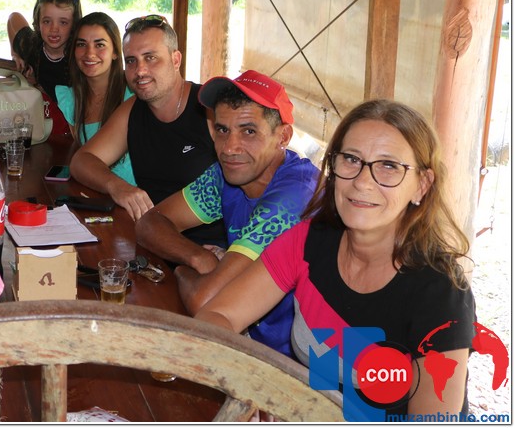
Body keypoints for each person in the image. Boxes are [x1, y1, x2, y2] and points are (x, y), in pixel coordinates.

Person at [196, 100, 476, 418]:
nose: (362, 181)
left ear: (421, 186)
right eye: (351, 159)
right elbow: (216, 316)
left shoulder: (441, 293)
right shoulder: (307, 241)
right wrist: (255, 390)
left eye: (388, 166)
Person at [136, 70, 319, 357]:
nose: (230, 148)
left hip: (294, 363)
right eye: (222, 130)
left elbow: (206, 301)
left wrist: (182, 270)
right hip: (244, 339)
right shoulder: (229, 174)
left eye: (249, 131)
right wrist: (199, 257)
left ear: (283, 136)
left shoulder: (293, 198)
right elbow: (149, 223)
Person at [69, 15, 217, 228]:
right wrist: (117, 186)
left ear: (176, 60)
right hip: (152, 234)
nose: (140, 70)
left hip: (207, 241)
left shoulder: (209, 108)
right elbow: (82, 161)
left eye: (150, 58)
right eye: (131, 61)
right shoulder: (133, 109)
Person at [55, 12, 134, 185]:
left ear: (115, 52)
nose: (89, 53)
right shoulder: (71, 100)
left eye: (99, 45)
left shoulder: (134, 92)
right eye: (81, 44)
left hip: (137, 194)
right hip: (96, 191)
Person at [6, 0, 81, 100]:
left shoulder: (78, 56)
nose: (54, 29)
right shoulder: (31, 45)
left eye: (63, 22)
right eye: (47, 21)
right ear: (38, 22)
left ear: (74, 25)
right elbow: (13, 18)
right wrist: (15, 53)